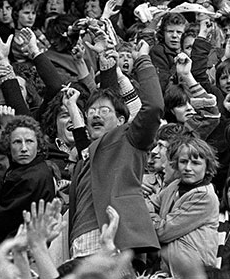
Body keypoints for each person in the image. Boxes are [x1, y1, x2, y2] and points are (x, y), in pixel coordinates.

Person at [66, 39, 164, 262]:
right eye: (91, 111)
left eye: (103, 110)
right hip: (77, 244)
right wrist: (73, 107)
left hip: (116, 239)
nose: (96, 115)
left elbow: (155, 107)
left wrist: (142, 60)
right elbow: (88, 148)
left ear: (121, 120)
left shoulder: (128, 139)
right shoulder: (86, 156)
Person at [147, 136, 220, 278]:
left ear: (207, 166)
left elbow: (162, 231)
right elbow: (149, 204)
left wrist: (150, 217)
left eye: (195, 163)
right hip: (170, 270)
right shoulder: (175, 185)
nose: (188, 168)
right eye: (183, 162)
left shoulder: (204, 196)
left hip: (194, 273)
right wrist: (152, 215)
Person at [0, 115, 56, 247]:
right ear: (9, 145)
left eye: (29, 141)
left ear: (38, 145)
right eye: (17, 142)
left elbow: (2, 220)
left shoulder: (34, 176)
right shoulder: (21, 170)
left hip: (23, 249)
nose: (24, 148)